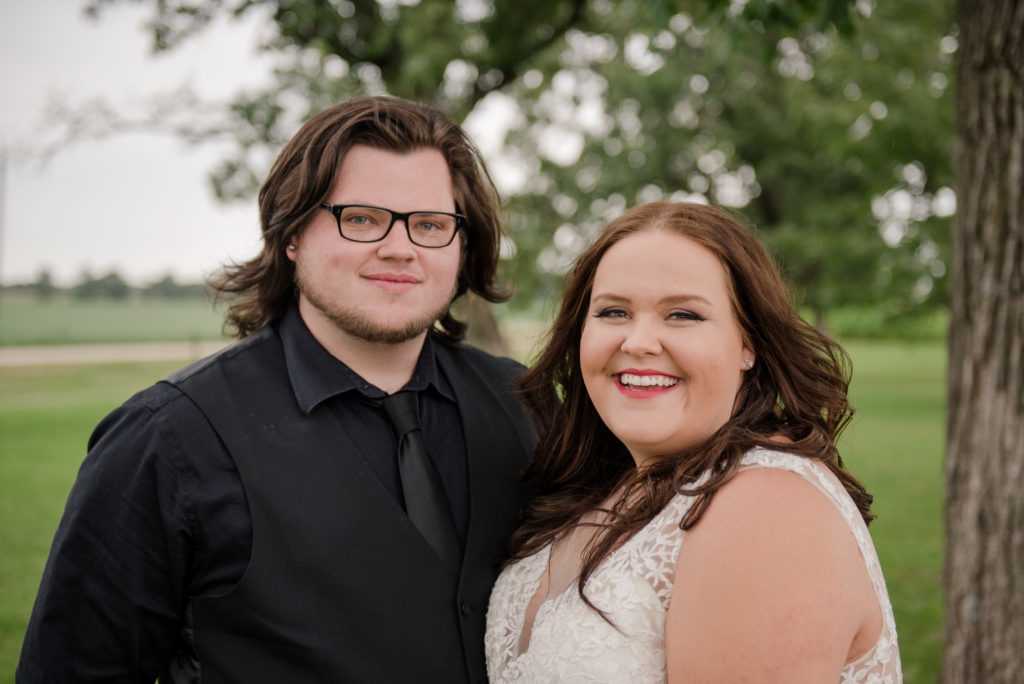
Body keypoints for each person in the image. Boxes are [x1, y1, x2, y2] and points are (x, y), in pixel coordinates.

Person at [18, 95, 536, 683]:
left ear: (461, 245)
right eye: (361, 218)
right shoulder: (167, 438)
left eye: (430, 225)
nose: (400, 247)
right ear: (291, 235)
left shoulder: (519, 403)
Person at [485, 201, 901, 682]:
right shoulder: (604, 485)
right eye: (614, 311)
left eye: (682, 314)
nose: (639, 342)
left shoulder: (766, 506)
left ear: (749, 343)